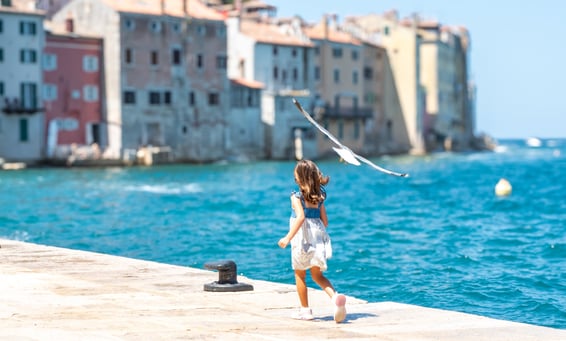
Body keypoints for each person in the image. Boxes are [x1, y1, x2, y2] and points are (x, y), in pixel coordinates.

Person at [278, 159, 347, 323]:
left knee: (300, 274)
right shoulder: (320, 197)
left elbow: (300, 217)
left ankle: (305, 311)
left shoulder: (296, 197)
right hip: (318, 236)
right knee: (317, 275)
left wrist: (287, 237)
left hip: (302, 239)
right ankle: (335, 297)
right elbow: (325, 221)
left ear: (299, 178)